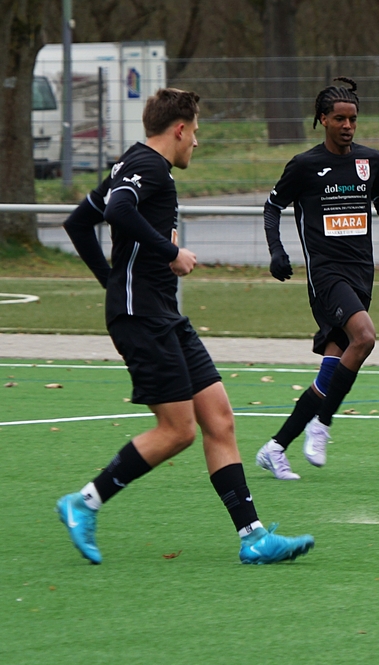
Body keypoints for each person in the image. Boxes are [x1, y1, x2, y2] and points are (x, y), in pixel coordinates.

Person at [58, 88, 315, 564]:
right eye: (194, 131)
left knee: (219, 418)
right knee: (177, 431)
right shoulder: (150, 166)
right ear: (179, 129)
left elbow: (79, 223)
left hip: (161, 313)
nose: (196, 142)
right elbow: (116, 212)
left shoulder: (132, 164)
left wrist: (112, 281)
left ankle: (254, 537)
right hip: (141, 317)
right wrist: (170, 252)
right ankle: (84, 502)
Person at [255, 78, 379, 481]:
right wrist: (276, 250)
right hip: (326, 274)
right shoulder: (305, 165)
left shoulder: (370, 160)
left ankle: (275, 448)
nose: (347, 126)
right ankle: (322, 424)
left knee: (333, 369)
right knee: (365, 338)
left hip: (361, 272)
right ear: (322, 119)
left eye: (353, 119)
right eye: (339, 118)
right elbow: (272, 207)